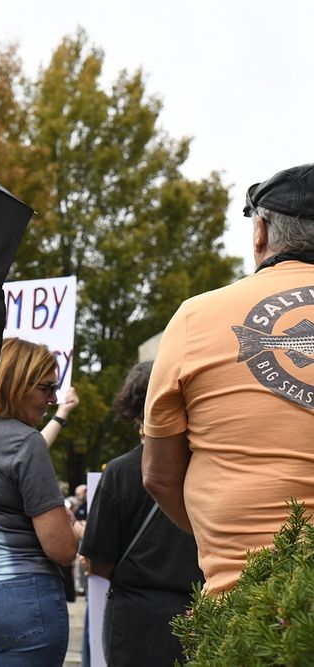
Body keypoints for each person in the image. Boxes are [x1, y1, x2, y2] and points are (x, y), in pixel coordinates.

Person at [143, 163, 314, 595]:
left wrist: (218, 542)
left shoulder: (196, 317)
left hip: (242, 611)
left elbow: (159, 477)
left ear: (261, 231)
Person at [81, 361, 202, 665]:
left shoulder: (120, 472)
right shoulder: (208, 468)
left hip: (134, 621)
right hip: (200, 614)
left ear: (136, 411)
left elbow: (99, 562)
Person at [0, 338, 79, 666]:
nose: (54, 398)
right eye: (47, 387)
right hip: (24, 598)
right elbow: (61, 549)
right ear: (15, 384)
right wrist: (74, 530)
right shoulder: (26, 442)